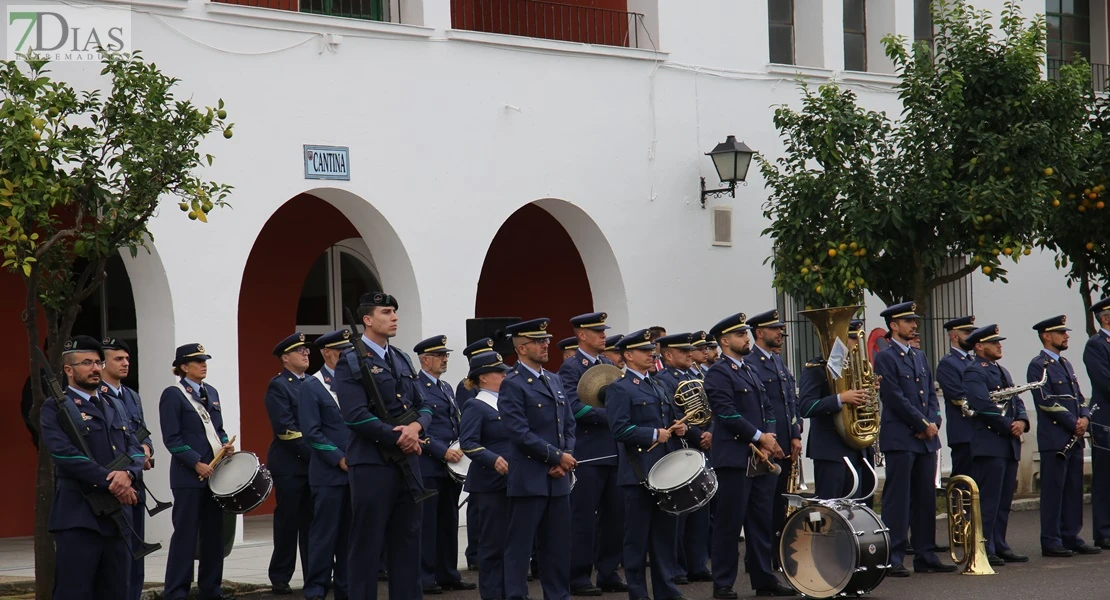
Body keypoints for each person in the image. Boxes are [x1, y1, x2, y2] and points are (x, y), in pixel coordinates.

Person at [333, 291, 433, 600]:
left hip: (408, 463)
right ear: (367, 319)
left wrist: (415, 429)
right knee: (367, 544)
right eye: (387, 312)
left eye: (395, 312)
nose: (394, 317)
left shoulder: (401, 358)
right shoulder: (350, 361)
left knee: (408, 540)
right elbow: (355, 416)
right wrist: (399, 436)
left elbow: (424, 406)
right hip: (372, 464)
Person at [41, 335, 143, 600]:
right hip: (79, 516)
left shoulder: (115, 405)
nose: (95, 368)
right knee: (75, 591)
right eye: (87, 363)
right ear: (69, 370)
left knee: (117, 591)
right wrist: (112, 480)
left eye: (98, 362)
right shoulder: (55, 408)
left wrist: (129, 473)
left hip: (117, 517)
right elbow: (65, 454)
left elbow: (134, 447)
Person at [703, 313, 796, 598]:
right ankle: (723, 583)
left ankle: (763, 578)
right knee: (729, 522)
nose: (746, 338)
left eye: (746, 333)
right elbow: (727, 413)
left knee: (760, 519)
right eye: (741, 335)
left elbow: (767, 408)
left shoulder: (748, 369)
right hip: (734, 458)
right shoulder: (719, 372)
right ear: (725, 341)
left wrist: (770, 437)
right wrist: (760, 437)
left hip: (759, 458)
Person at [872, 302, 955, 577]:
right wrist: (922, 424)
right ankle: (893, 556)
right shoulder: (885, 357)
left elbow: (931, 394)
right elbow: (894, 397)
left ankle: (925, 554)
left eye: (914, 321)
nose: (914, 325)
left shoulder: (919, 355)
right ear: (894, 326)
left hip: (925, 439)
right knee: (898, 499)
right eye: (908, 321)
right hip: (901, 437)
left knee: (925, 497)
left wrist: (933, 423)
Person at [607, 329, 690, 600]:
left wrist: (678, 427)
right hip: (638, 472)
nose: (650, 354)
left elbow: (668, 416)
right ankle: (638, 593)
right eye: (644, 350)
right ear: (628, 355)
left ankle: (667, 590)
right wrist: (654, 434)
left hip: (665, 469)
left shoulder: (658, 384)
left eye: (651, 350)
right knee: (636, 539)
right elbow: (618, 429)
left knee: (665, 535)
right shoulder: (620, 388)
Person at [499, 318, 576, 600]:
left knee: (556, 545)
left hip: (557, 478)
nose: (545, 345)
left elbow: (567, 424)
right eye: (538, 341)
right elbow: (519, 432)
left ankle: (558, 595)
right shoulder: (514, 383)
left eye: (545, 340)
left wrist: (565, 456)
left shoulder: (553, 379)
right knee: (520, 545)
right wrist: (556, 456)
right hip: (530, 477)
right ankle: (516, 595)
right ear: (521, 348)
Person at [556, 311, 627, 596]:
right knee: (583, 517)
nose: (603, 335)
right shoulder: (571, 368)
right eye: (597, 331)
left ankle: (608, 572)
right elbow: (574, 408)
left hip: (614, 451)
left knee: (615, 516)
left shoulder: (609, 364)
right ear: (581, 335)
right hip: (588, 453)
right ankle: (578, 575)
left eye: (604, 330)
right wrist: (612, 417)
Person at [161, 343, 235, 600]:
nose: (204, 365)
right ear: (183, 367)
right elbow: (172, 438)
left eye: (205, 360)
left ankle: (211, 588)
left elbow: (218, 428)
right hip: (188, 477)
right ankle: (176, 591)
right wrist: (195, 462)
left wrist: (225, 445)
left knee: (214, 535)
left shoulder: (210, 391)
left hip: (215, 475)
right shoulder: (173, 394)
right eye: (198, 361)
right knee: (185, 534)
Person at [1029, 315, 1100, 558]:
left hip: (1075, 436)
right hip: (1055, 438)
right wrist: (1073, 423)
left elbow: (1079, 397)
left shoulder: (1066, 364)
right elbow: (1045, 401)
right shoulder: (1039, 365)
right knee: (1054, 490)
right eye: (1060, 333)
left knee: (1073, 489)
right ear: (1047, 336)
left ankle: (1071, 535)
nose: (1066, 336)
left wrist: (1084, 418)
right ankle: (1051, 539)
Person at [963, 324, 1030, 566]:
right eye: (994, 342)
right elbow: (981, 405)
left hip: (1007, 443)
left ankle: (999, 543)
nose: (999, 345)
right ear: (979, 346)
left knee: (1003, 500)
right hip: (990, 442)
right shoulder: (974, 371)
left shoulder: (1001, 371)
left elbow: (1016, 398)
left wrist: (1022, 420)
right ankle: (985, 546)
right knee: (989, 501)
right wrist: (1008, 425)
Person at [415, 335, 476, 594]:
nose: (445, 359)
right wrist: (441, 451)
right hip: (429, 464)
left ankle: (448, 573)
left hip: (450, 466)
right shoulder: (416, 387)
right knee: (428, 524)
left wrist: (462, 443)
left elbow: (455, 421)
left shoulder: (446, 387)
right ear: (425, 359)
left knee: (448, 521)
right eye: (440, 356)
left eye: (446, 355)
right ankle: (426, 577)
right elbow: (417, 428)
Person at [299, 329, 355, 600]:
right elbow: (312, 433)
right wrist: (338, 458)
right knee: (324, 534)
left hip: (356, 471)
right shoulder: (312, 386)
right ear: (326, 353)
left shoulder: (353, 383)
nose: (347, 356)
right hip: (328, 474)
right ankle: (316, 588)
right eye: (342, 352)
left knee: (349, 535)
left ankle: (345, 587)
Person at [653, 333, 713, 585]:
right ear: (667, 355)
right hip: (680, 446)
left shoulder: (696, 377)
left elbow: (711, 407)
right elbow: (672, 414)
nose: (690, 354)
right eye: (683, 351)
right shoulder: (663, 380)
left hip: (701, 445)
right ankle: (676, 566)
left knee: (701, 507)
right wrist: (699, 433)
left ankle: (697, 563)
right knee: (680, 510)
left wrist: (711, 432)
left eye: (691, 350)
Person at [100, 337, 155, 600]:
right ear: (102, 363)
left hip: (137, 479)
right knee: (117, 553)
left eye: (127, 359)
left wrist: (147, 449)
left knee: (137, 549)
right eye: (118, 359)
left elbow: (142, 431)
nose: (125, 364)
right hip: (114, 481)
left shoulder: (131, 395)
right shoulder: (97, 394)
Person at [798, 319, 874, 503]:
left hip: (857, 450)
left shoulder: (856, 368)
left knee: (856, 510)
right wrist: (841, 399)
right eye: (851, 338)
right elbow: (806, 407)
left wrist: (869, 393)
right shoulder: (815, 369)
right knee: (831, 510)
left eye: (857, 338)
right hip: (830, 451)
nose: (856, 343)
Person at [746, 310, 801, 559]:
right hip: (767, 446)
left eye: (780, 328)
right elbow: (758, 407)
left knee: (781, 503)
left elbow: (790, 401)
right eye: (774, 328)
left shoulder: (777, 360)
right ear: (759, 333)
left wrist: (795, 433)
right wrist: (770, 439)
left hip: (786, 443)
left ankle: (778, 555)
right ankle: (761, 559)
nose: (780, 332)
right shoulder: (750, 362)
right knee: (764, 506)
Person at [460, 351, 514, 600]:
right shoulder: (476, 405)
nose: (505, 374)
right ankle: (492, 594)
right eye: (499, 372)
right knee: (492, 545)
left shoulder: (509, 401)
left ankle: (511, 592)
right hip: (490, 483)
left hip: (514, 480)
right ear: (482, 377)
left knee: (512, 542)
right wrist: (492, 459)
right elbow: (468, 442)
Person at [264, 333, 314, 595]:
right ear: (285, 358)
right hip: (290, 465)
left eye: (306, 350)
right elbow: (286, 431)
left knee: (312, 523)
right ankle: (280, 576)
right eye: (299, 351)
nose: (306, 354)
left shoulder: (312, 383)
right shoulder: (279, 386)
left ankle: (314, 575)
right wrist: (318, 453)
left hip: (312, 465)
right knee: (288, 522)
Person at [456, 336, 497, 572]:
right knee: (478, 509)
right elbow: (469, 419)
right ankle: (474, 554)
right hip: (483, 453)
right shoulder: (467, 388)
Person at [1083, 297, 1110, 550]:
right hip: (1106, 418)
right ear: (1106, 318)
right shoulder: (1096, 345)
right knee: (1104, 476)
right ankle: (1103, 531)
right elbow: (1104, 380)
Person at [935, 316, 977, 479]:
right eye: (967, 333)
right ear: (954, 336)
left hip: (979, 431)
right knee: (964, 479)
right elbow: (958, 397)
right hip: (964, 432)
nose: (972, 337)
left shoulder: (973, 361)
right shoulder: (948, 363)